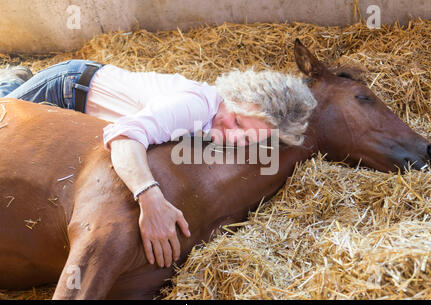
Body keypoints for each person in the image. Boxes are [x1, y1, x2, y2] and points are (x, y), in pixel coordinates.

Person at [0, 60, 317, 268]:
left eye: (247, 140)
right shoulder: (193, 105)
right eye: (236, 122)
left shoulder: (220, 128)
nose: (233, 138)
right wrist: (149, 197)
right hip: (69, 89)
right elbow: (124, 137)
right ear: (235, 96)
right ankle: (11, 81)